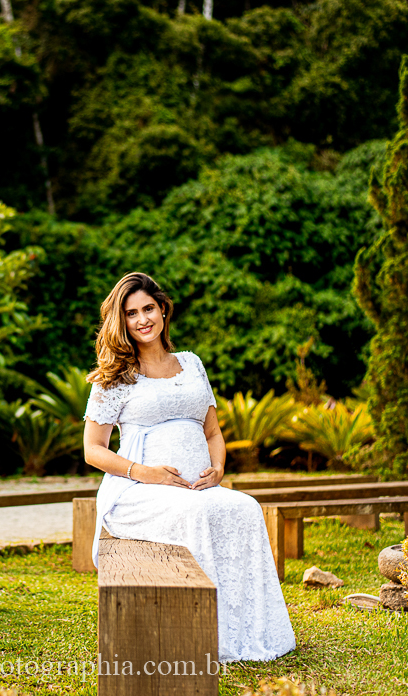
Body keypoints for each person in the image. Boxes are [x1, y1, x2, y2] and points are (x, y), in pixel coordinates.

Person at [82, 272, 296, 662]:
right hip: (136, 492)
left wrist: (218, 468)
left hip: (199, 489)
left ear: (163, 310)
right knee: (198, 514)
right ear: (122, 322)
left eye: (148, 308)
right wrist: (146, 473)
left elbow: (213, 432)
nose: (142, 319)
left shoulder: (192, 364)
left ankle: (252, 632)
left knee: (245, 507)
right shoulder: (115, 377)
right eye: (131, 313)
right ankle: (202, 635)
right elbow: (93, 451)